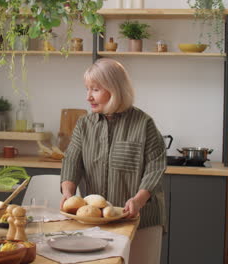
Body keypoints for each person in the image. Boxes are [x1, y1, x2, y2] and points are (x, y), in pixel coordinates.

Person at [60, 58, 166, 264]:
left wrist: (137, 200)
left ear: (115, 89)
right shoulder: (84, 124)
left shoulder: (144, 124)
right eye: (87, 89)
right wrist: (68, 193)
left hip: (141, 221)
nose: (88, 96)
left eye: (95, 89)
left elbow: (155, 168)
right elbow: (72, 160)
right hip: (97, 221)